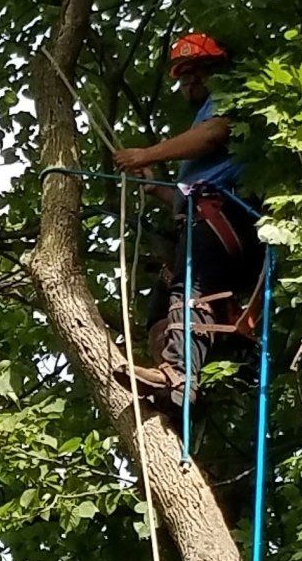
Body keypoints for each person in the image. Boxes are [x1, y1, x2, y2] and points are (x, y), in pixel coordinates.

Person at [109, 29, 264, 397]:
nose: (184, 88)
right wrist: (159, 189)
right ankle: (184, 373)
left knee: (190, 291)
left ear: (199, 72)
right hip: (208, 218)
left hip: (223, 218)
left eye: (186, 77)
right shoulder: (207, 114)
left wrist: (146, 154)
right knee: (162, 306)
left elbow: (214, 135)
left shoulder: (229, 99)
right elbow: (198, 183)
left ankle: (179, 374)